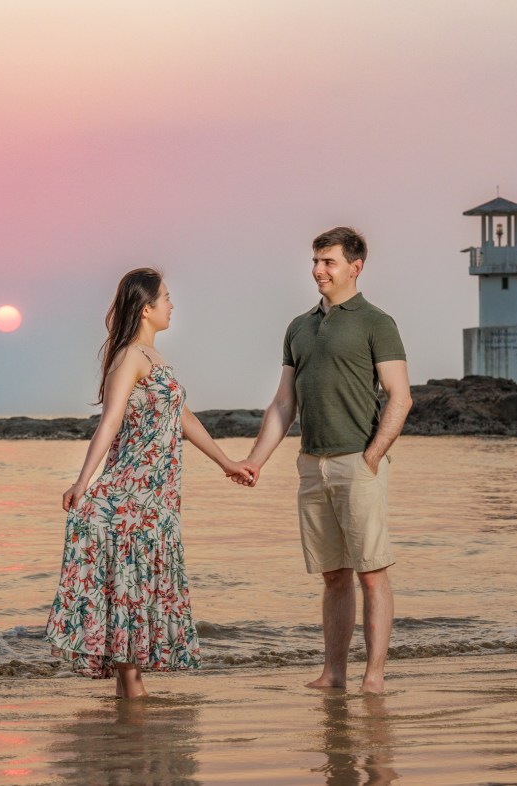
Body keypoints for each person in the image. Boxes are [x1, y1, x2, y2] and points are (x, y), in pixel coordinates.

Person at [45, 267, 253, 699]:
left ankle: (129, 714)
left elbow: (183, 418)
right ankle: (132, 698)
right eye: (167, 297)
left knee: (137, 593)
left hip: (155, 502)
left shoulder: (155, 358)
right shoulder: (130, 357)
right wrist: (82, 481)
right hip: (129, 498)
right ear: (146, 308)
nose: (172, 305)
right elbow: (110, 421)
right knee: (129, 593)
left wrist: (225, 462)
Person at [240, 227, 411, 694]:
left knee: (371, 573)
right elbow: (283, 404)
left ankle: (373, 677)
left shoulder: (376, 322)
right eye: (316, 261)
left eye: (328, 262)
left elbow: (399, 396)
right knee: (333, 576)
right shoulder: (299, 327)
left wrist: (373, 456)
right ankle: (334, 673)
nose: (318, 270)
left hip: (358, 462)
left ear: (355, 267)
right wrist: (256, 460)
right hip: (311, 463)